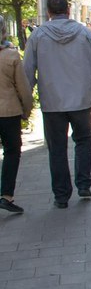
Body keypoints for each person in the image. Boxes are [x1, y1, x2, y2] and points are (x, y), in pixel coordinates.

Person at [23, 0, 91, 209]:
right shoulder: (85, 33)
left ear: (48, 11)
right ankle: (84, 184)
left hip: (52, 102)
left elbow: (28, 71)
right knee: (84, 140)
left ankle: (61, 195)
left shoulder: (38, 35)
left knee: (57, 149)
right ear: (68, 10)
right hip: (81, 99)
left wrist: (26, 102)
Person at [0, 16, 34, 213]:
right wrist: (27, 110)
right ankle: (6, 195)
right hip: (9, 113)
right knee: (12, 152)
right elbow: (24, 89)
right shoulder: (11, 56)